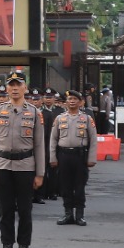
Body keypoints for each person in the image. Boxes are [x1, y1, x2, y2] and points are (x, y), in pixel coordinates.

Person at [0, 72, 45, 248]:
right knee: (6, 211)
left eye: (18, 84)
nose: (14, 88)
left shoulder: (35, 113)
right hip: (3, 165)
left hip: (26, 167)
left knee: (25, 212)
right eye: (11, 85)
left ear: (25, 88)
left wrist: (40, 173)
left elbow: (39, 145)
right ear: (7, 88)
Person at [48, 88, 96, 225]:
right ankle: (68, 213)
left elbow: (93, 140)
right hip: (63, 155)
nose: (72, 101)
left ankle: (80, 215)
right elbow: (53, 140)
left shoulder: (86, 119)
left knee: (79, 186)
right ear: (66, 102)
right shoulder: (60, 118)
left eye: (75, 99)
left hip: (80, 156)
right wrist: (52, 157)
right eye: (70, 99)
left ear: (81, 102)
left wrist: (91, 159)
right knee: (65, 186)